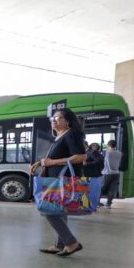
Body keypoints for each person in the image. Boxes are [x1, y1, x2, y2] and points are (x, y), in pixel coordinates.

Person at [30, 108, 87, 257]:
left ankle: (71, 243)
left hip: (64, 180)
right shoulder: (60, 136)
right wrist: (41, 162)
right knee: (60, 211)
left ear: (67, 121)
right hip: (56, 179)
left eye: (58, 118)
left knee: (48, 209)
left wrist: (52, 162)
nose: (53, 120)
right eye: (52, 118)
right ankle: (60, 244)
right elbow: (56, 158)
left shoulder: (71, 134)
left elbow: (81, 156)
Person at [101, 140, 123, 209]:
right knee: (112, 189)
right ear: (115, 145)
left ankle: (96, 202)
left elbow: (104, 162)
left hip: (107, 173)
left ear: (108, 145)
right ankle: (108, 204)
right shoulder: (120, 153)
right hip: (116, 173)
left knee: (101, 188)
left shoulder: (106, 153)